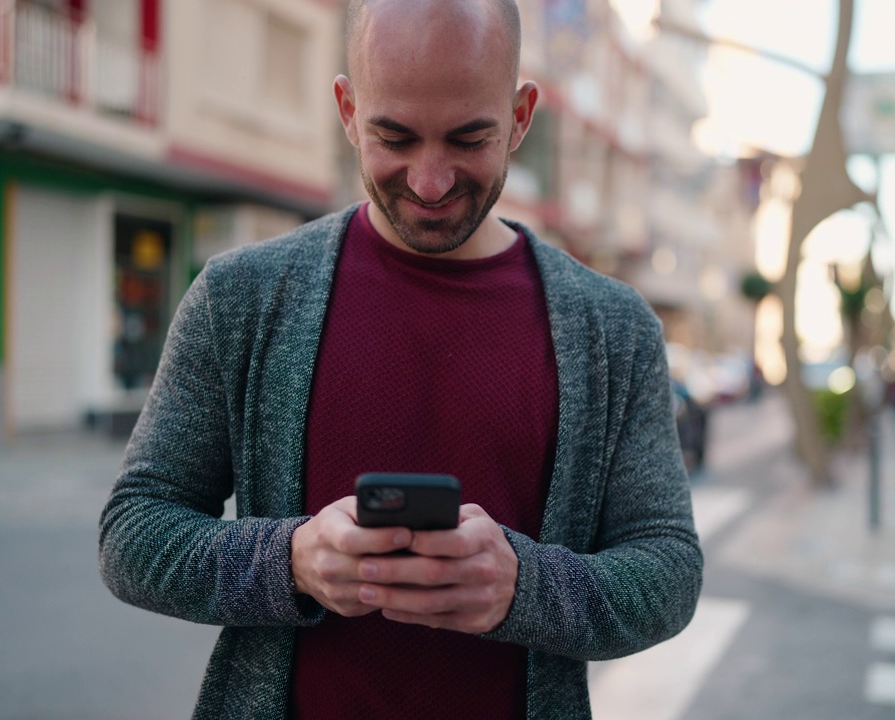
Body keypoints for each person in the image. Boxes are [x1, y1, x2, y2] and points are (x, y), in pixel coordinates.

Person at [97, 1, 703, 718]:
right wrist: (291, 561)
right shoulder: (241, 299)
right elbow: (132, 535)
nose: (431, 181)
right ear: (348, 110)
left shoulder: (613, 329)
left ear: (520, 117)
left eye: (469, 138)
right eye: (396, 136)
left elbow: (668, 570)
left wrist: (523, 588)